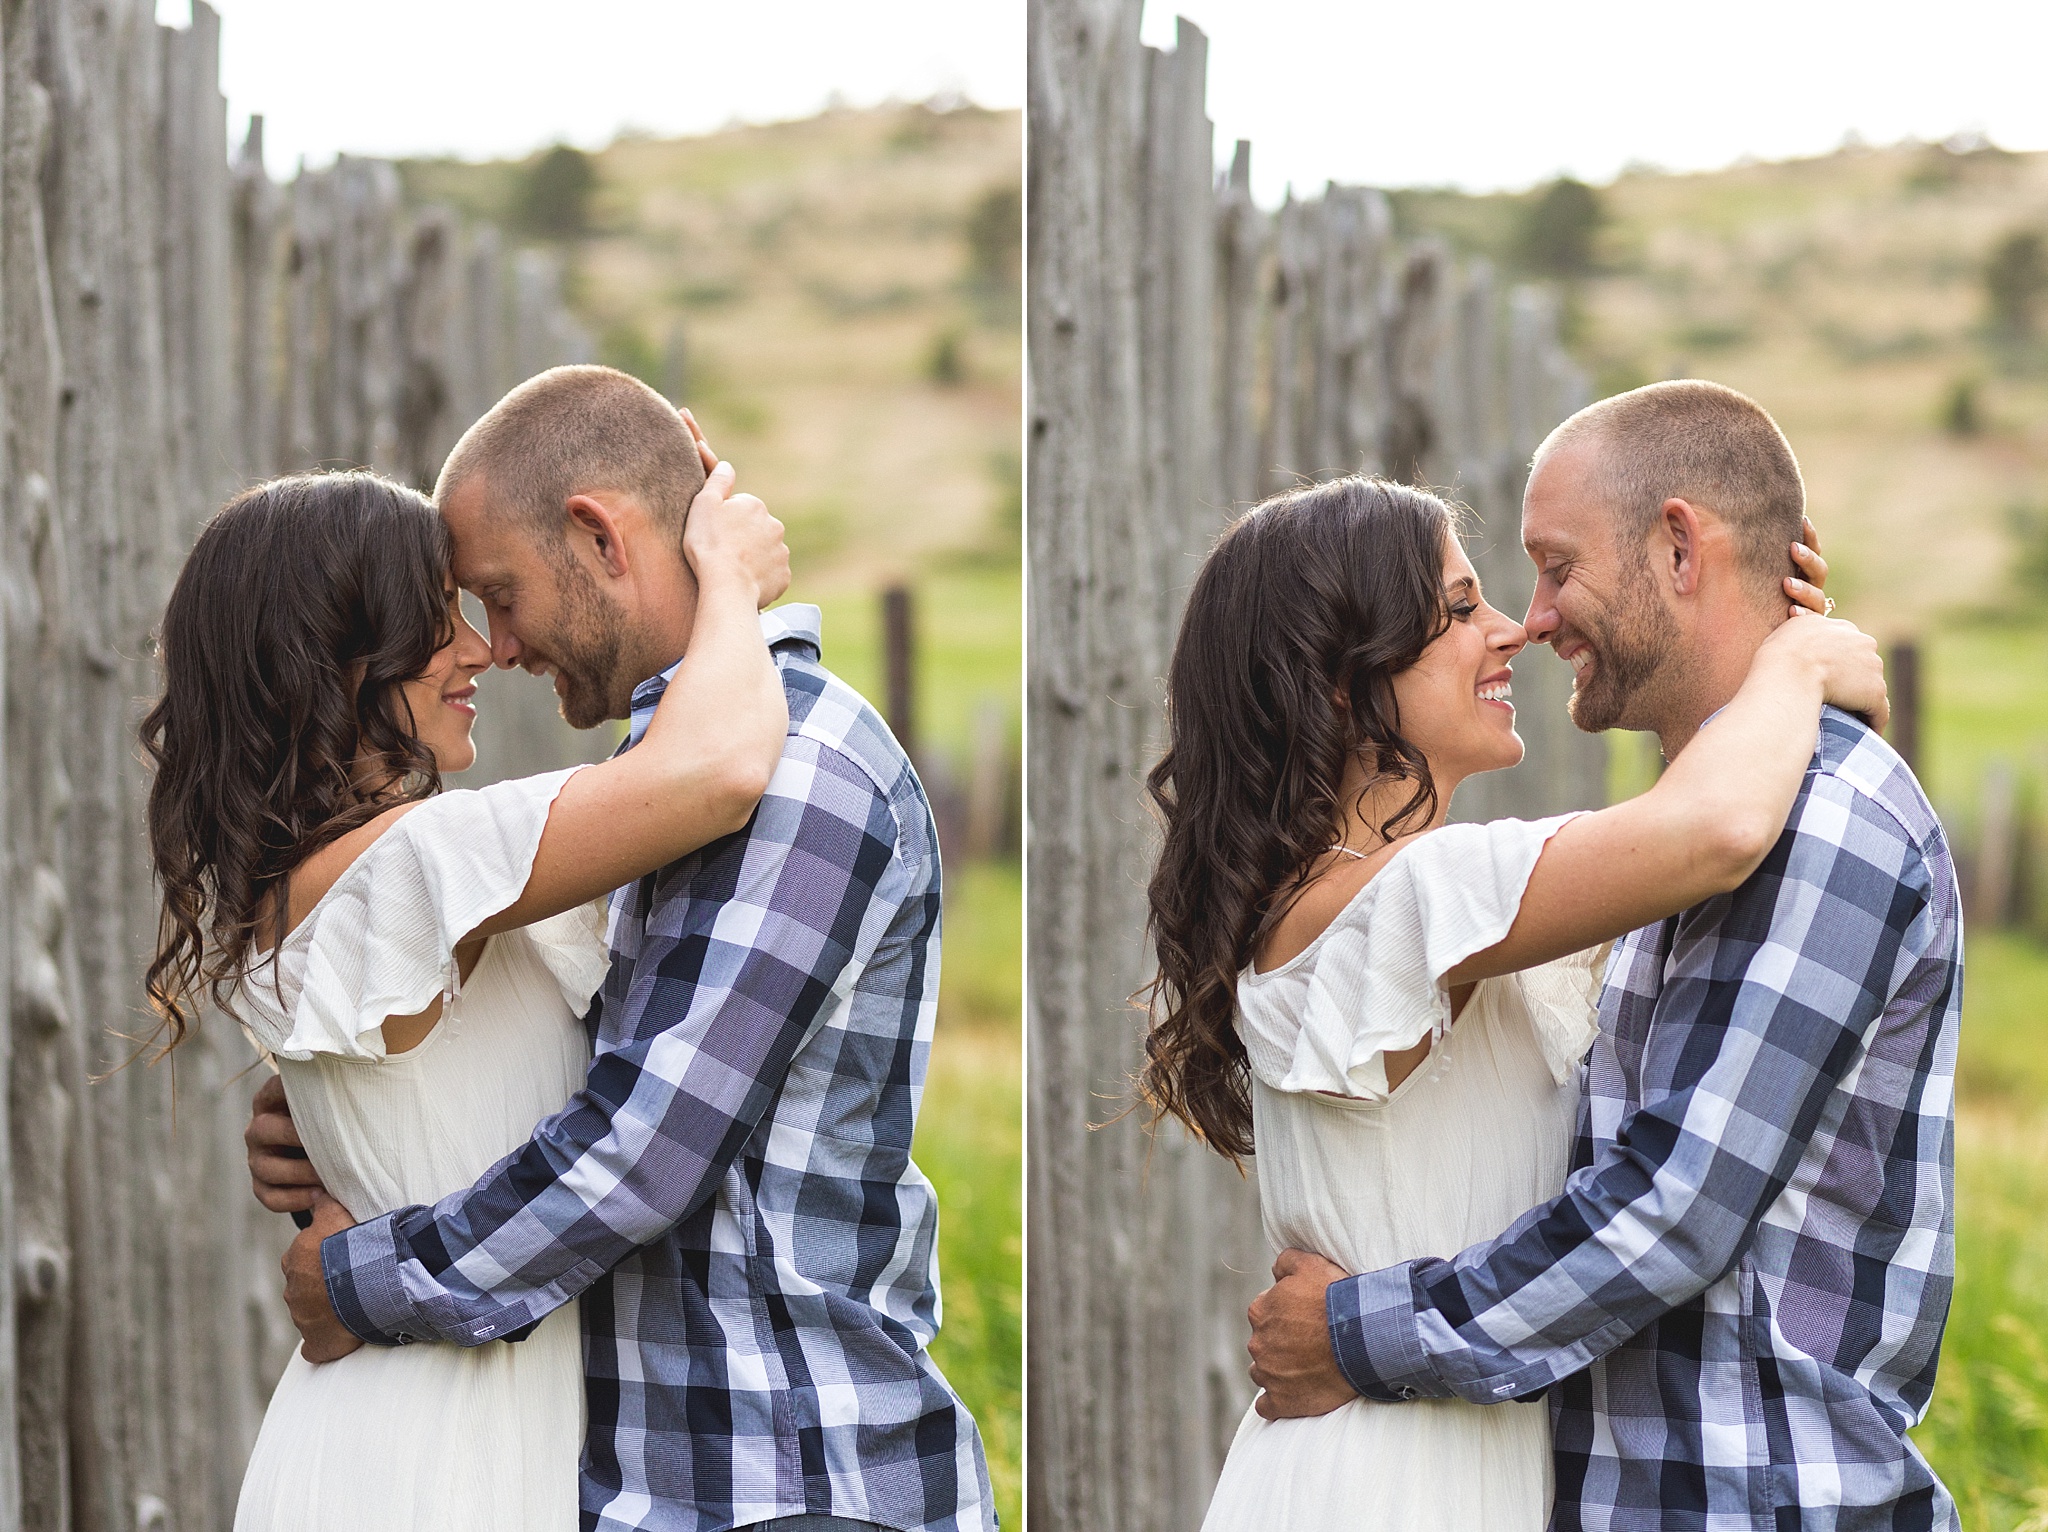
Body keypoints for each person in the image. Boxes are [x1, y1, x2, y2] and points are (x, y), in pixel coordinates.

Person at [243, 365, 994, 1532]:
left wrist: (361, 1276)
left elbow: (639, 1150)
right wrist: (348, 1112)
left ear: (597, 535)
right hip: (661, 1479)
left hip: (788, 1473)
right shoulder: (637, 800)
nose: (496, 644)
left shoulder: (798, 771)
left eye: (499, 591)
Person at [1238, 381, 1961, 1530]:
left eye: (1552, 567)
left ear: (1678, 546)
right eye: (1470, 600)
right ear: (1347, 679)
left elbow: (1671, 1208)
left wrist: (1356, 1327)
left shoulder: (1817, 815)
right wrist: (1785, 667)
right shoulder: (1580, 870)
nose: (1527, 621)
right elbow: (1708, 828)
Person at [145, 438, 789, 1529]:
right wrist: (729, 580)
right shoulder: (421, 858)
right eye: (434, 614)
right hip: (438, 1458)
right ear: (337, 654)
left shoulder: (320, 879)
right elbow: (719, 770)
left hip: (387, 1431)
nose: (479, 649)